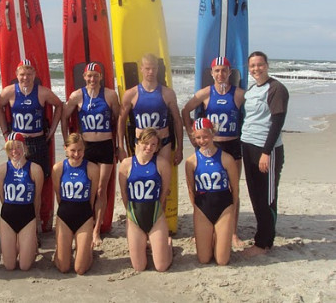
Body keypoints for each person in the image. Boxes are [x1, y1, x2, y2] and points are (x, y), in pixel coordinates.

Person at [181, 56, 245, 247]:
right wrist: (192, 134)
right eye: (217, 70)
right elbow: (185, 110)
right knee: (204, 187)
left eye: (224, 70)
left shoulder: (239, 94)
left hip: (232, 145)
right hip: (211, 146)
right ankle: (202, 227)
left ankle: (233, 232)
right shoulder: (205, 93)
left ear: (230, 72)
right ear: (211, 73)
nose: (220, 74)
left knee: (233, 188)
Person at [0, 58, 62, 232]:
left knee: (37, 185)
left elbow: (59, 105)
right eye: (22, 74)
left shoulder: (42, 92)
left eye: (29, 74)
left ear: (34, 74)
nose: (25, 77)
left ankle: (36, 222)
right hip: (17, 145)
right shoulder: (9, 91)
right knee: (18, 181)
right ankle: (17, 221)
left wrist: (52, 130)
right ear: (17, 75)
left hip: (37, 142)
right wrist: (5, 132)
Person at [61, 62, 120, 246]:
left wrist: (119, 145)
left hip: (105, 146)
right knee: (86, 188)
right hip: (86, 147)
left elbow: (118, 119)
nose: (92, 79)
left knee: (101, 189)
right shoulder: (77, 96)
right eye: (89, 76)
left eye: (96, 75)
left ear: (100, 77)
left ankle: (96, 230)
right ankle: (85, 224)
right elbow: (64, 116)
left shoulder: (110, 95)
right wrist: (67, 140)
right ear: (84, 77)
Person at [241, 51, 289, 257]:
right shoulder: (252, 90)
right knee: (255, 194)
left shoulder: (276, 88)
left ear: (267, 65)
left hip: (266, 149)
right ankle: (262, 235)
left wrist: (266, 152)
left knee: (266, 197)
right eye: (252, 66)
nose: (256, 69)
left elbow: (277, 122)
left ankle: (264, 243)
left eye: (260, 65)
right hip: (248, 145)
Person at [185, 118, 239, 265]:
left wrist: (232, 209)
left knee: (222, 261)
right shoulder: (191, 161)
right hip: (203, 208)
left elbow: (235, 188)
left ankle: (220, 238)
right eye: (198, 137)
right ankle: (213, 237)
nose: (202, 141)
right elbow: (191, 189)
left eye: (205, 136)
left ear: (213, 134)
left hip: (224, 207)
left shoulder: (226, 158)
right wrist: (196, 208)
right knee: (204, 259)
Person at [118, 127, 172, 272]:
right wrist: (130, 213)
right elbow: (124, 192)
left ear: (157, 147)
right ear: (138, 143)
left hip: (155, 215)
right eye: (146, 143)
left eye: (153, 144)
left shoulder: (162, 164)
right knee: (139, 267)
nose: (149, 147)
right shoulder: (126, 164)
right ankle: (147, 243)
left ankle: (167, 245)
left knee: (161, 267)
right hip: (134, 216)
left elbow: (164, 191)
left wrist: (158, 210)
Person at [117, 53, 183, 166]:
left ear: (157, 69)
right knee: (142, 174)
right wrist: (121, 147)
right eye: (147, 69)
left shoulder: (168, 93)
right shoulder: (131, 94)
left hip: (163, 142)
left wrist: (180, 148)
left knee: (163, 174)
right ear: (141, 69)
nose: (151, 72)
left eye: (154, 68)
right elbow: (121, 121)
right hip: (141, 143)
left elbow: (177, 120)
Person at [52, 133, 100, 275]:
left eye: (80, 150)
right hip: (64, 216)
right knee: (64, 267)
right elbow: (58, 195)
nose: (77, 154)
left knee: (80, 269)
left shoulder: (92, 168)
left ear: (84, 150)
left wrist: (90, 217)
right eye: (73, 150)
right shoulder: (58, 168)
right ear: (65, 148)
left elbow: (92, 196)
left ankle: (87, 251)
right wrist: (65, 211)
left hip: (84, 216)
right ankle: (60, 250)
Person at [0, 132, 44, 271]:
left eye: (18, 147)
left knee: (24, 266)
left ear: (25, 148)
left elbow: (37, 198)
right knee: (9, 266)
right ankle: (17, 243)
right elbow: (2, 197)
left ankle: (29, 243)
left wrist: (35, 219)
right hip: (7, 217)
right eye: (10, 148)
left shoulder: (35, 169)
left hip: (27, 216)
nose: (14, 151)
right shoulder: (2, 170)